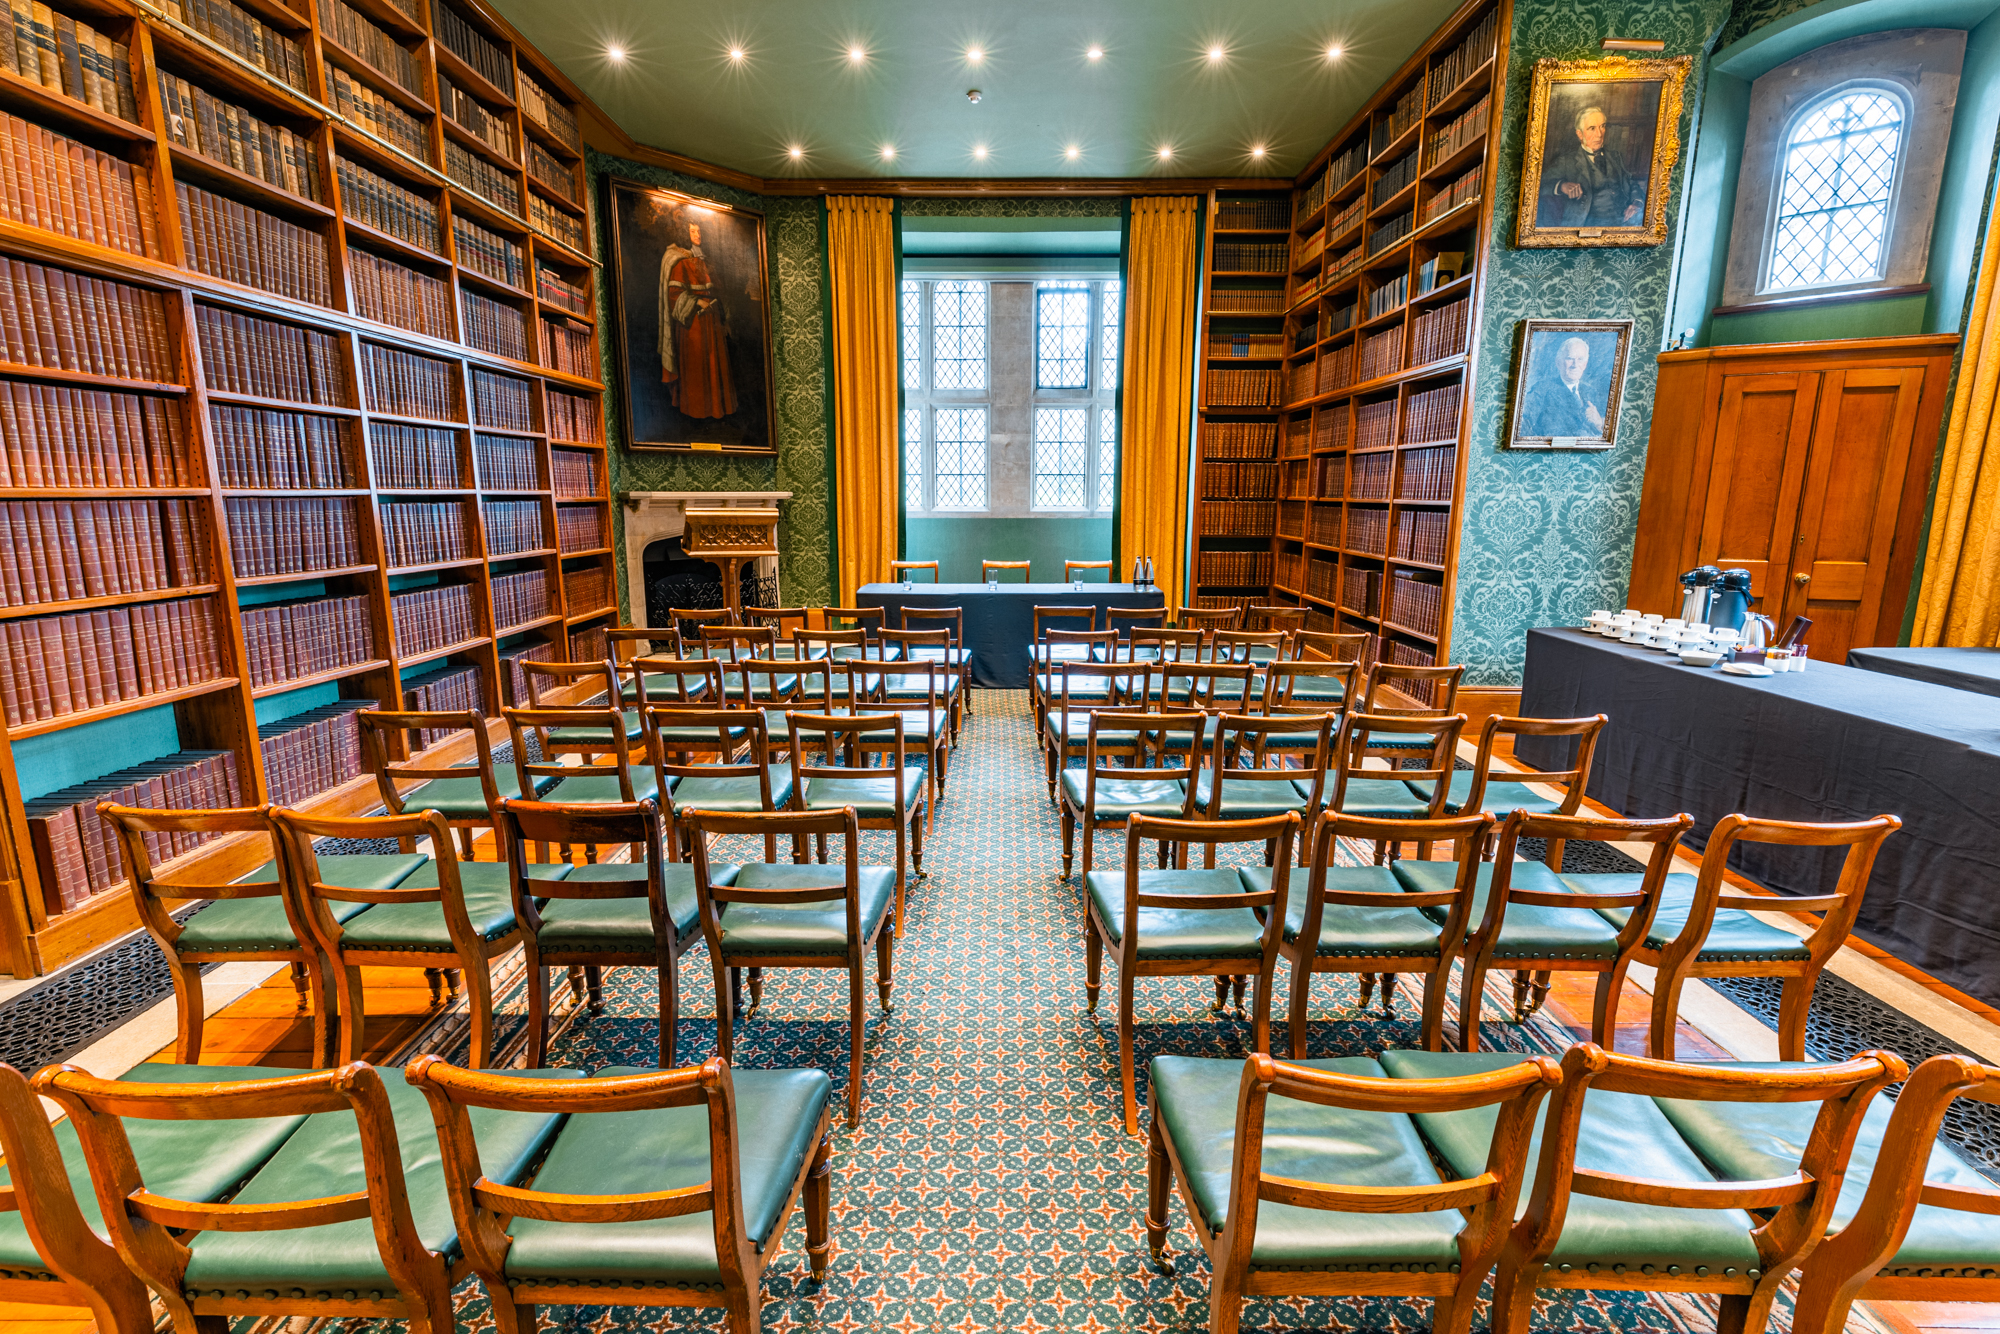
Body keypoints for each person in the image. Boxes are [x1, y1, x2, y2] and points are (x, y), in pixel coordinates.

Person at [656, 208, 738, 419]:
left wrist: (723, 313)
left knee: (715, 365)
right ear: (686, 234)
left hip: (712, 322)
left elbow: (719, 289)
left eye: (700, 232)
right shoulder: (677, 259)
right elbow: (674, 294)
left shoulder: (705, 260)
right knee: (697, 368)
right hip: (692, 324)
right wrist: (696, 301)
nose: (698, 236)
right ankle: (696, 412)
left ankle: (716, 411)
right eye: (693, 232)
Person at [1538, 104, 1645, 228]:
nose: (1599, 134)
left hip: (1623, 222)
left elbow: (1630, 183)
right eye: (1592, 128)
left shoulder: (1615, 156)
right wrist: (1561, 186)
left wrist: (1637, 203)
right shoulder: (1567, 161)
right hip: (1586, 225)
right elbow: (1539, 184)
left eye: (1602, 126)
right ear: (1579, 134)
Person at [1519, 336, 1606, 438]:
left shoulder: (1592, 392)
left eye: (1580, 359)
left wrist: (1599, 423)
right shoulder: (1542, 389)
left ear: (1585, 364)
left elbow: (1604, 436)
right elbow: (1522, 422)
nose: (1575, 365)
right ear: (1558, 362)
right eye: (1570, 358)